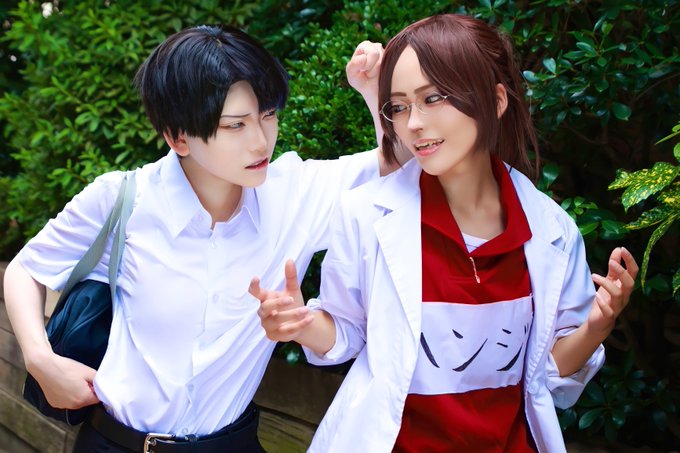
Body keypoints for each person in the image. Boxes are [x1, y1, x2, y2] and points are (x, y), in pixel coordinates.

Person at [251, 14, 639, 453]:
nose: (413, 123)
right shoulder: (365, 214)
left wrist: (597, 325)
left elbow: (548, 379)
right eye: (399, 106)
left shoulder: (551, 230)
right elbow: (346, 333)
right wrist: (301, 324)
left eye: (433, 98)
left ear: (496, 100)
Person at [3, 25, 387, 452]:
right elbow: (26, 269)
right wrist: (39, 359)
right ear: (178, 136)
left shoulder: (295, 195)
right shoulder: (124, 199)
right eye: (235, 125)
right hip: (114, 442)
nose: (261, 141)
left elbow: (396, 170)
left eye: (268, 115)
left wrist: (375, 92)